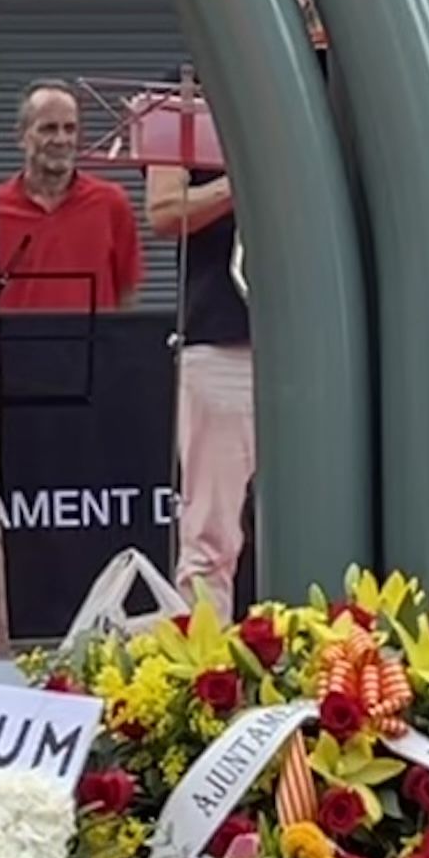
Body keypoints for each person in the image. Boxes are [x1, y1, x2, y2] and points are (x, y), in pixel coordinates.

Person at [148, 128, 253, 603]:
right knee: (211, 530)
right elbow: (165, 210)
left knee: (330, 515)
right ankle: (204, 666)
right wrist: (256, 175)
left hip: (329, 338)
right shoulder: (187, 88)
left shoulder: (346, 74)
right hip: (222, 339)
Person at [0, 84, 143, 312]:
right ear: (21, 137)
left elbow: (127, 292)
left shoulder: (111, 203)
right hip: (16, 346)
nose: (61, 140)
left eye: (70, 129)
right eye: (48, 129)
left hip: (92, 345)